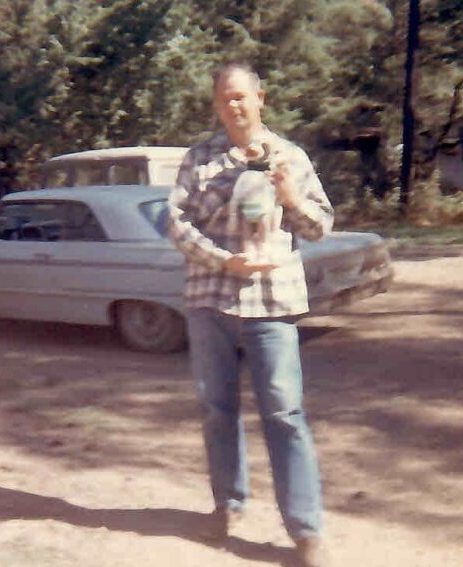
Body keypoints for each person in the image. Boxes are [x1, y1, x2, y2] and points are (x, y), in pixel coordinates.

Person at [167, 62, 334, 567]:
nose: (233, 105)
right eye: (225, 98)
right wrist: (225, 260)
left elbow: (319, 227)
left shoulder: (291, 156)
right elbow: (176, 224)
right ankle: (227, 506)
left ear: (260, 98)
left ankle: (306, 531)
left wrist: (290, 197)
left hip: (272, 304)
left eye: (241, 96)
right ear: (216, 105)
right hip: (210, 300)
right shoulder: (199, 159)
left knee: (284, 414)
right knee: (216, 411)